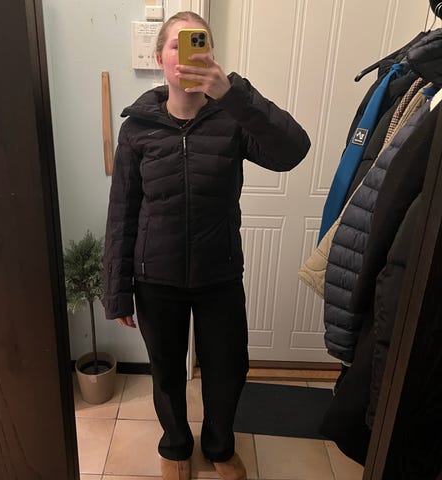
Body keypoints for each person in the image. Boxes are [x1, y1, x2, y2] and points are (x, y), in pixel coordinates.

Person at [103, 11, 311, 480]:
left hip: (220, 273)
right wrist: (117, 289)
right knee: (166, 372)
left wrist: (234, 95)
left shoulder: (232, 118)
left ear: (211, 55)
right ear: (160, 57)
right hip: (155, 277)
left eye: (198, 44)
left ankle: (219, 445)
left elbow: (293, 150)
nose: (186, 55)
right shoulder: (137, 128)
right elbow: (122, 211)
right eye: (175, 45)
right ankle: (176, 446)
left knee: (227, 369)